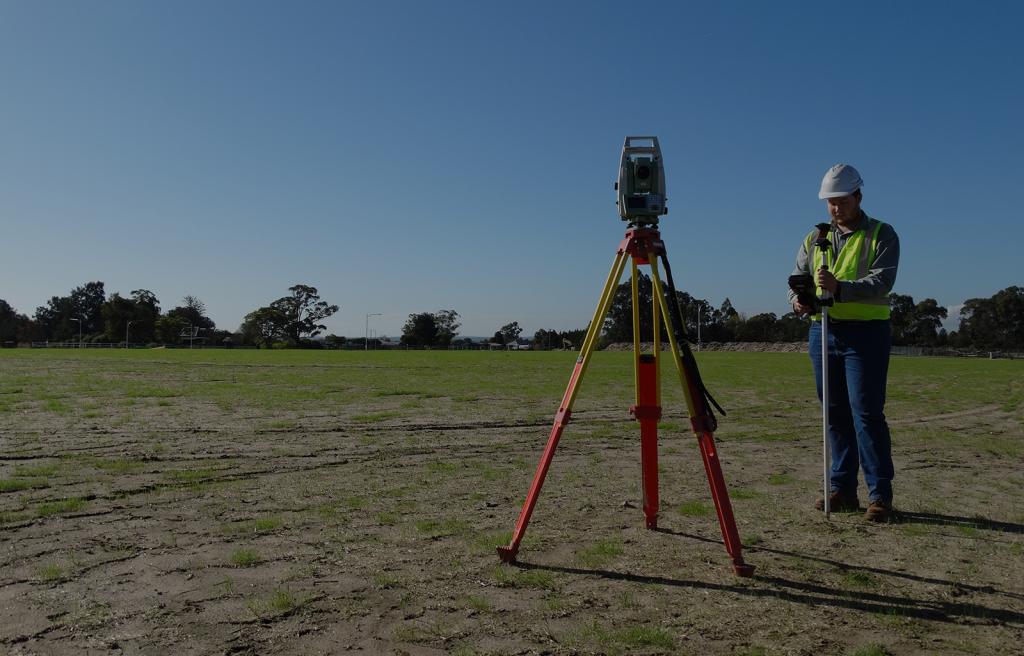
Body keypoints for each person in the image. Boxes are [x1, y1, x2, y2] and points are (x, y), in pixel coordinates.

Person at [789, 164, 900, 522]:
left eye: (842, 200)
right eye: (830, 202)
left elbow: (882, 283)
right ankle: (842, 490)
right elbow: (798, 278)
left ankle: (879, 495)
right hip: (823, 331)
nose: (836, 208)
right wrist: (798, 301)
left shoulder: (882, 234)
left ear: (858, 197)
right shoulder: (814, 237)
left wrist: (841, 289)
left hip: (865, 335)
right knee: (834, 414)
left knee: (866, 414)